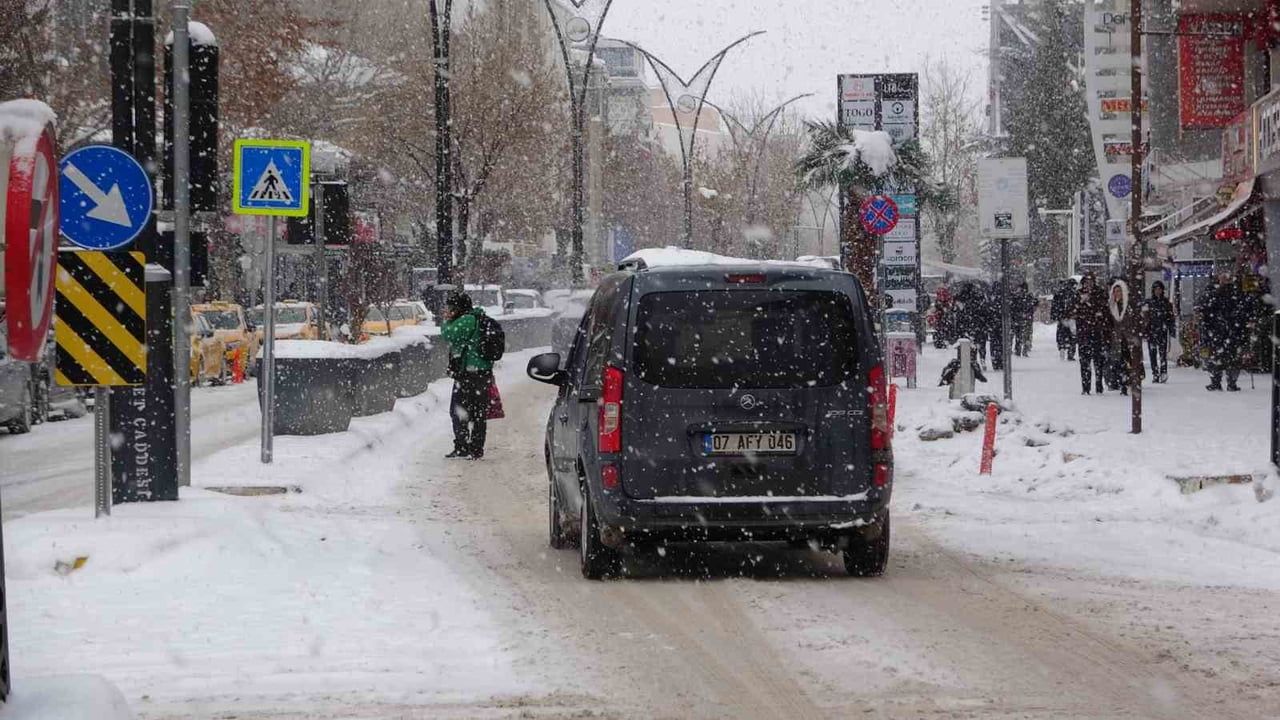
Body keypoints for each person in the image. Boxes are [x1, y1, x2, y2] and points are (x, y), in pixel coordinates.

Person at [440, 292, 495, 458]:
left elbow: (448, 335)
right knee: (478, 412)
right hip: (480, 372)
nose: (448, 310)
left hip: (469, 373)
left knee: (459, 410)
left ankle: (464, 446)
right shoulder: (476, 318)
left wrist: (446, 321)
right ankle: (475, 448)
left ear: (458, 307)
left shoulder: (467, 320)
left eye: (450, 307)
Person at [1198, 273, 1250, 392]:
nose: (1225, 281)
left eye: (1227, 279)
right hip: (1219, 331)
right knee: (1217, 356)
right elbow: (1205, 309)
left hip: (1229, 330)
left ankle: (1230, 382)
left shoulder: (1235, 293)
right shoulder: (1213, 293)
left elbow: (1242, 311)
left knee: (1230, 357)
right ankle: (1217, 381)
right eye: (1223, 279)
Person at [1075, 273, 1110, 395]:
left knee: (1098, 361)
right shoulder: (1078, 294)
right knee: (1084, 362)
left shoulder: (1099, 293)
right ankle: (1085, 387)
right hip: (1083, 333)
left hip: (1097, 333)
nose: (1088, 285)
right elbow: (1073, 311)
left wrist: (1091, 303)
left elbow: (1104, 311)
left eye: (1091, 282)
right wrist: (1080, 302)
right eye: (1086, 282)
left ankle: (1099, 385)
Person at [1143, 280, 1175, 383]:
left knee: (1162, 354)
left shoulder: (1166, 303)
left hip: (1162, 330)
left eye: (1159, 289)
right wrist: (1145, 329)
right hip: (1151, 331)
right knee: (1152, 354)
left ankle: (1163, 372)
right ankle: (1155, 373)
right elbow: (1145, 317)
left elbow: (1170, 317)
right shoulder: (1148, 302)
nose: (1158, 291)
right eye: (1156, 289)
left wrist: (1171, 329)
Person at [1051, 279, 1079, 361]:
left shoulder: (1059, 293)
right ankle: (1071, 352)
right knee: (1072, 335)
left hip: (1062, 317)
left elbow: (1054, 306)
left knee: (1061, 334)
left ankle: (1061, 347)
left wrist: (1056, 316)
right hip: (1071, 318)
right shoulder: (1075, 294)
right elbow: (1077, 305)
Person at [1012, 282, 1037, 357]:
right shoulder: (1029, 296)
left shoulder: (1016, 296)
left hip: (1019, 318)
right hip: (1027, 318)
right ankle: (1025, 349)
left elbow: (1013, 307)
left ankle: (1018, 350)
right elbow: (1034, 305)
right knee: (1027, 335)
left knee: (1019, 335)